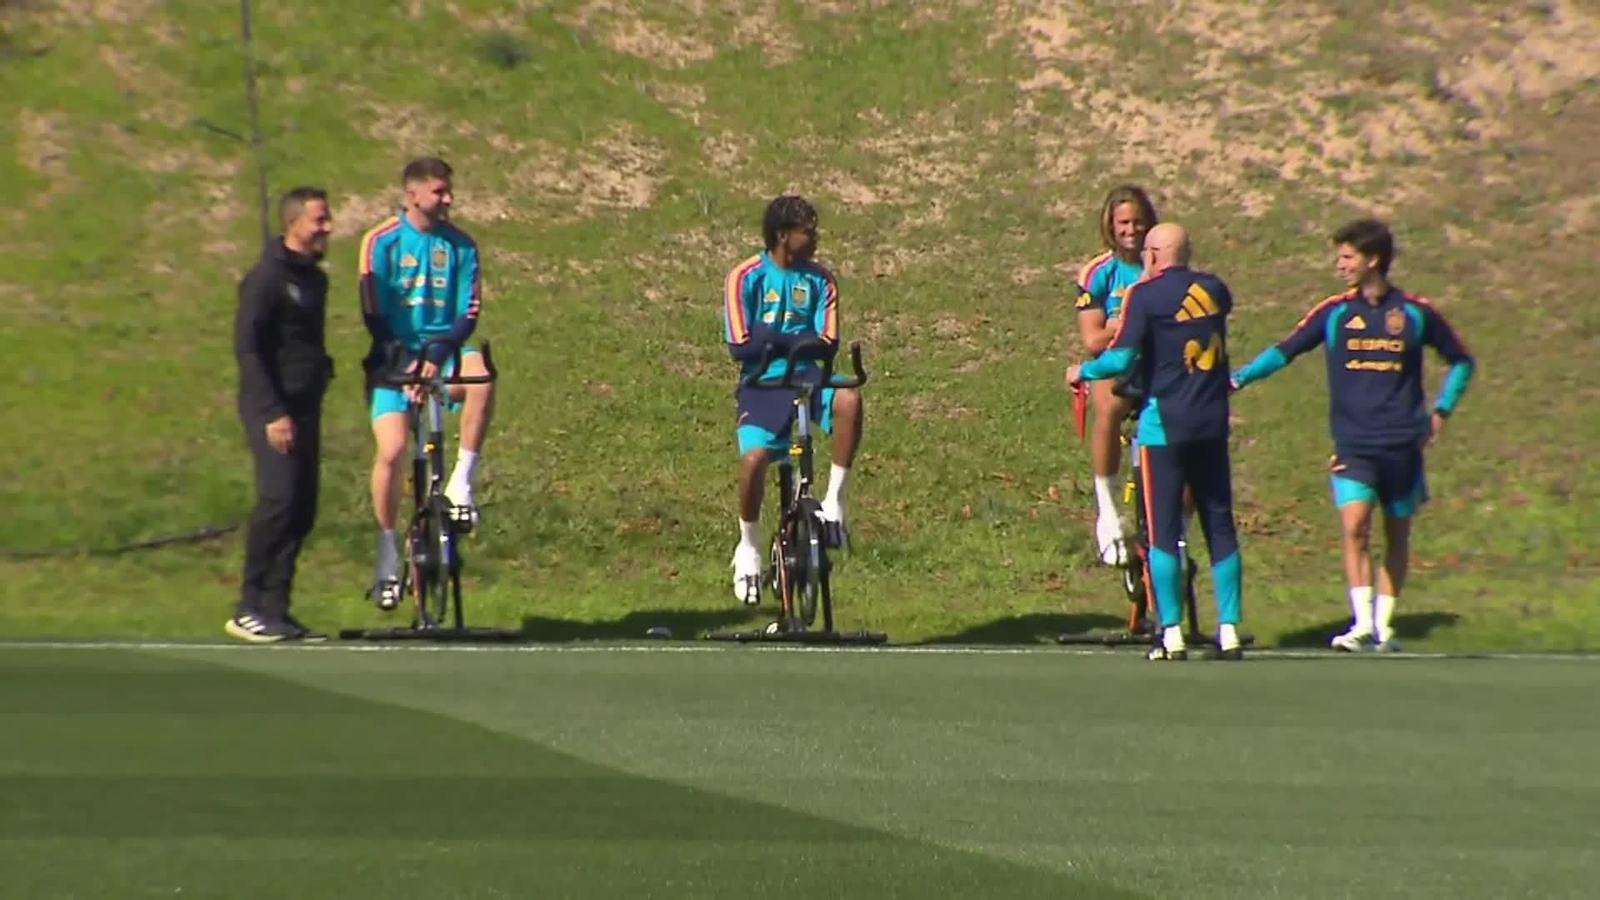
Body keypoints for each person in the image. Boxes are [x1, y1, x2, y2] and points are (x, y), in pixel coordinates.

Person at [1231, 218, 1475, 652]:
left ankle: (1385, 625)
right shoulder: (1334, 313)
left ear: (1372, 260)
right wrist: (1239, 379)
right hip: (1353, 444)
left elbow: (1461, 361)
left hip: (1402, 444)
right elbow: (1286, 349)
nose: (1339, 265)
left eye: (1347, 257)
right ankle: (1361, 624)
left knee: (1396, 533)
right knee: (1355, 525)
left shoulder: (1415, 313)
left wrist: (1441, 413)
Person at [1067, 223, 1245, 660]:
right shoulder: (1215, 289)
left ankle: (1172, 633)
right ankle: (1230, 631)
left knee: (1162, 532)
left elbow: (1122, 356)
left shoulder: (1144, 296)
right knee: (1220, 527)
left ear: (1151, 255)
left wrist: (1082, 372)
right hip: (1211, 421)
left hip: (1164, 426)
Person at [358, 157, 495, 609]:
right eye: (439, 191)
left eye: (449, 190)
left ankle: (462, 481)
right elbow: (373, 312)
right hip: (393, 357)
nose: (448, 199)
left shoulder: (461, 246)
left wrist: (435, 358)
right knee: (393, 450)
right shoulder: (381, 242)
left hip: (441, 354)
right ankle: (385, 550)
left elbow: (467, 314)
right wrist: (409, 362)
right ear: (413, 193)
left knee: (480, 375)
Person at [723, 194, 863, 605]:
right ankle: (747, 545)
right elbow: (741, 349)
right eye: (809, 231)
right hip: (762, 384)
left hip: (810, 377)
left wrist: (774, 341)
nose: (816, 238)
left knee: (849, 400)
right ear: (783, 235)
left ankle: (834, 503)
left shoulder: (822, 280)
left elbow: (827, 344)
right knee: (753, 461)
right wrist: (792, 343)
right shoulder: (745, 277)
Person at [228, 187, 335, 642]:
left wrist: (321, 370)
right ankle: (248, 606)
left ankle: (277, 608)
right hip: (271, 409)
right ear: (293, 223)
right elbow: (248, 348)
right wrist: (273, 411)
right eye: (319, 220)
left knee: (302, 509)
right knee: (278, 501)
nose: (328, 228)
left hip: (306, 407)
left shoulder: (315, 279)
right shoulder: (266, 278)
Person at [1073, 184, 1159, 565]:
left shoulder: (1161, 265)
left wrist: (1119, 320)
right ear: (1111, 225)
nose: (1131, 230)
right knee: (1107, 405)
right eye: (1123, 222)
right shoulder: (1099, 272)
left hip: (1160, 363)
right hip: (1118, 365)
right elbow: (1093, 339)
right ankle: (1107, 509)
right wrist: (1134, 321)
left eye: (1138, 222)